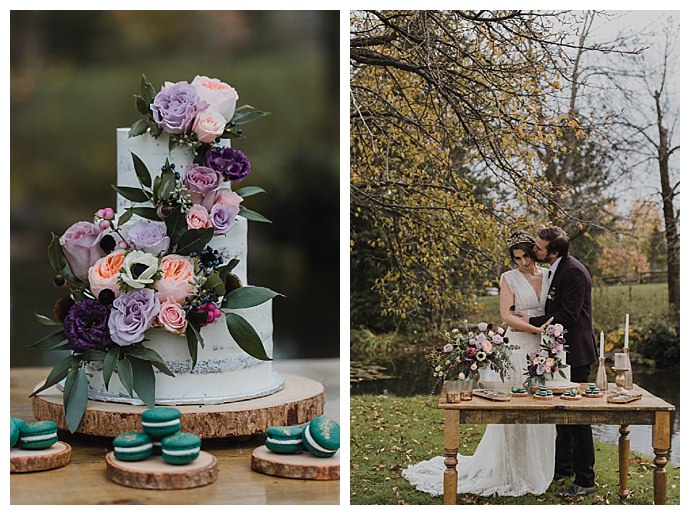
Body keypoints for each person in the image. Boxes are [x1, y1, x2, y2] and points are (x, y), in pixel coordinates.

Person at [402, 230, 556, 497]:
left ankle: (535, 467)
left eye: (525, 256)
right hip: (519, 344)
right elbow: (506, 316)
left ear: (534, 253)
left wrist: (546, 333)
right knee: (514, 406)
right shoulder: (508, 278)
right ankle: (509, 469)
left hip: (542, 347)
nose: (522, 263)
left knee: (538, 405)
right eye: (517, 258)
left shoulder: (548, 275)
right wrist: (537, 329)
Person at [527, 226, 598, 498]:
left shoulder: (575, 273)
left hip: (576, 354)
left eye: (539, 247)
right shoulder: (558, 268)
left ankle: (585, 478)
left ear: (553, 252)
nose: (535, 250)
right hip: (561, 352)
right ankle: (563, 467)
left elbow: (567, 316)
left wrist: (529, 323)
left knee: (578, 417)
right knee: (562, 413)